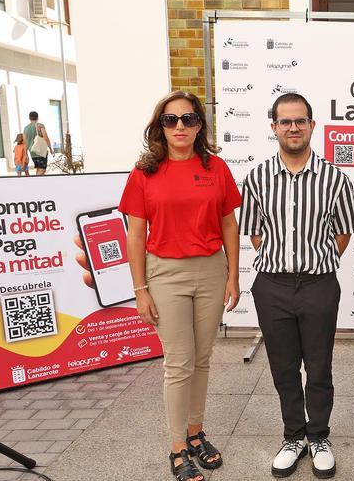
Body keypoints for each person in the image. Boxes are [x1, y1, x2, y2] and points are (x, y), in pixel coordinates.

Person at [118, 91, 241, 481]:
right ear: (160, 127)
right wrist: (140, 289)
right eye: (171, 121)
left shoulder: (216, 167)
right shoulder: (145, 172)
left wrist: (233, 275)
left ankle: (195, 432)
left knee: (202, 358)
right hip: (165, 273)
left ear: (200, 125)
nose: (180, 127)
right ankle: (176, 448)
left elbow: (228, 225)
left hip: (210, 270)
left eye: (188, 119)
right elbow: (135, 236)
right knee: (178, 362)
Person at [241, 93, 354, 479]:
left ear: (312, 125)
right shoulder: (256, 178)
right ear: (273, 126)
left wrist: (313, 260)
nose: (293, 127)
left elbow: (342, 233)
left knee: (319, 366)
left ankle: (319, 436)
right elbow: (255, 234)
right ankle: (294, 436)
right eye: (285, 121)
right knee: (283, 367)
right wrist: (283, 261)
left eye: (300, 121)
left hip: (319, 284)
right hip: (271, 285)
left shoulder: (335, 178)